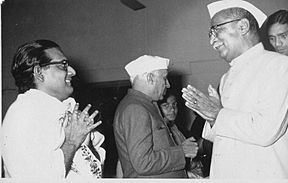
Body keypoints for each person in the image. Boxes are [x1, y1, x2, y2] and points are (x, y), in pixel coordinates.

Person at [182, 0, 288, 179]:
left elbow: (266, 131)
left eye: (216, 30)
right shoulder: (226, 77)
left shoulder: (278, 65)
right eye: (210, 33)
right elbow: (221, 136)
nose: (212, 41)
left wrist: (217, 114)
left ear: (242, 26)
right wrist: (210, 118)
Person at [1, 40, 105, 179]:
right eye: (63, 65)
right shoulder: (23, 114)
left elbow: (95, 170)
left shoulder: (63, 109)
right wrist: (72, 141)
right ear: (39, 72)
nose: (72, 72)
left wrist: (85, 137)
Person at [113, 55, 198, 178]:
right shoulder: (136, 108)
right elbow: (143, 163)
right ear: (150, 78)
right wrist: (182, 152)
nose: (167, 84)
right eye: (164, 78)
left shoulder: (145, 105)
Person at [157, 89, 204, 178]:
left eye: (174, 104)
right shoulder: (160, 132)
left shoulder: (174, 127)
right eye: (166, 106)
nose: (172, 109)